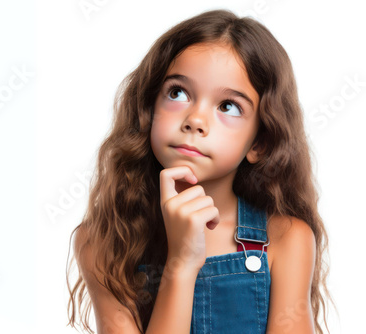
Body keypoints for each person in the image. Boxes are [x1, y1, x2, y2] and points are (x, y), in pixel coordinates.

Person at [66, 8, 336, 334]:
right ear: (148, 109)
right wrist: (181, 261)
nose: (195, 120)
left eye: (228, 107)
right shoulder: (101, 242)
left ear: (259, 143)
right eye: (178, 93)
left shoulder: (286, 238)